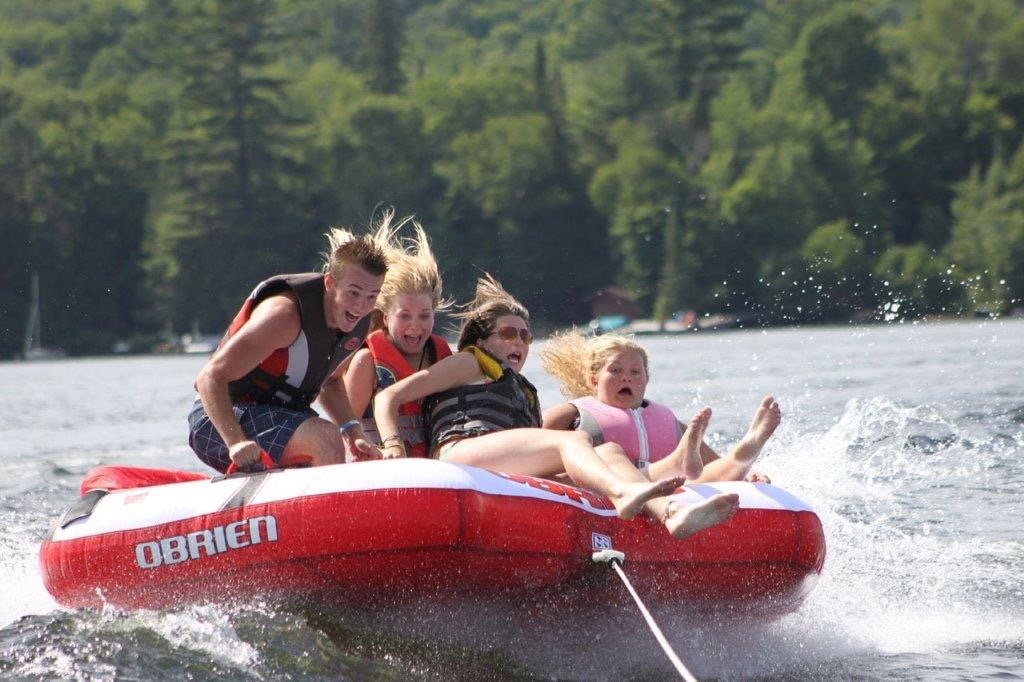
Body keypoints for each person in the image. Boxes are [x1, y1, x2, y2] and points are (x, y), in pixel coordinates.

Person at [373, 274, 740, 539]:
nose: (518, 341)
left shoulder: (523, 390)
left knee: (608, 451)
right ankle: (627, 493)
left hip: (502, 470)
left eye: (525, 335)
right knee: (573, 441)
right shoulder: (471, 362)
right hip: (461, 453)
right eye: (507, 333)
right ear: (482, 340)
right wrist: (392, 445)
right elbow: (388, 396)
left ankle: (669, 512)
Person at [188, 226, 388, 473]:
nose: (360, 306)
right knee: (324, 437)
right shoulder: (283, 317)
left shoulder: (360, 322)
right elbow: (209, 377)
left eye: (372, 296)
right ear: (330, 283)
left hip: (278, 416)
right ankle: (327, 510)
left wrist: (352, 430)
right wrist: (236, 441)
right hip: (217, 420)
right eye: (353, 292)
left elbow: (332, 381)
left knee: (328, 437)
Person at [539, 330, 780, 484]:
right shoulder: (573, 414)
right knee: (654, 474)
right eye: (615, 370)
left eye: (635, 372)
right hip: (610, 488)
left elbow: (709, 462)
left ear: (646, 379)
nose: (626, 378)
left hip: (670, 490)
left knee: (710, 473)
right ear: (594, 379)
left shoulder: (666, 420)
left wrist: (747, 475)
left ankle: (742, 457)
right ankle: (677, 465)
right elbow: (526, 451)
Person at [342, 213, 453, 458]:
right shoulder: (366, 363)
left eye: (424, 316)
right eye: (404, 316)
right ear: (385, 317)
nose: (415, 327)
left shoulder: (443, 357)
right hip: (381, 467)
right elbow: (345, 434)